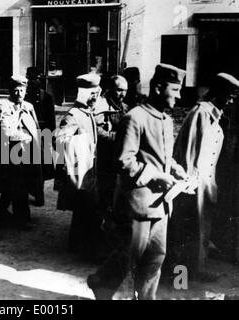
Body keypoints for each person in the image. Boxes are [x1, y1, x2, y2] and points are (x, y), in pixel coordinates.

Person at [87, 63, 187, 300]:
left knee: (157, 256)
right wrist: (157, 175)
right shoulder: (134, 118)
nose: (179, 96)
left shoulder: (165, 120)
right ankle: (100, 282)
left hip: (161, 204)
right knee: (129, 255)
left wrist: (175, 168)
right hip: (138, 203)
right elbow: (124, 161)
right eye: (175, 90)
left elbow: (162, 156)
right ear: (158, 87)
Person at [169, 73, 239, 281]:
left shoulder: (214, 114)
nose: (232, 100)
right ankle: (178, 281)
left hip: (205, 183)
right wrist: (189, 185)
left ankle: (194, 270)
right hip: (194, 183)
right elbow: (188, 150)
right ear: (219, 92)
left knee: (200, 229)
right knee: (188, 230)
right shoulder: (200, 113)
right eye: (231, 94)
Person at [54, 73, 103, 259]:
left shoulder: (88, 113)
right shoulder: (73, 115)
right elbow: (59, 140)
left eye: (96, 94)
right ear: (83, 94)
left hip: (90, 170)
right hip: (80, 170)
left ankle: (77, 244)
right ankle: (82, 247)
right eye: (91, 94)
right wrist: (77, 147)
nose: (95, 98)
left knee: (86, 208)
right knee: (85, 207)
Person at [0, 75, 42, 230]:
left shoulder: (28, 106)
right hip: (11, 152)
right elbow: (5, 131)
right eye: (15, 91)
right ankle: (22, 219)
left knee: (17, 184)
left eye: (22, 90)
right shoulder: (4, 106)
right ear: (10, 91)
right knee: (18, 185)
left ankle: (1, 211)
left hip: (28, 152)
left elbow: (36, 127)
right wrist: (24, 136)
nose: (19, 94)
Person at [95, 75, 129, 221]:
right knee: (104, 191)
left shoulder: (125, 107)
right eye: (119, 90)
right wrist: (115, 137)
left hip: (119, 155)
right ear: (110, 90)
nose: (122, 94)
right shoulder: (101, 106)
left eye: (125, 91)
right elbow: (96, 130)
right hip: (105, 156)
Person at [25, 67, 56, 206]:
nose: (33, 81)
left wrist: (50, 137)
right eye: (30, 78)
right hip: (26, 137)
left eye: (36, 78)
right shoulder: (24, 96)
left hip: (42, 136)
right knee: (26, 165)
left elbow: (51, 120)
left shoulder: (46, 97)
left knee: (41, 167)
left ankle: (39, 195)